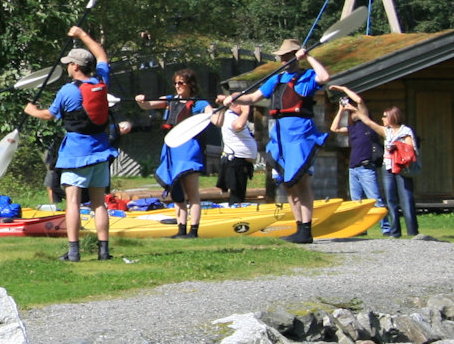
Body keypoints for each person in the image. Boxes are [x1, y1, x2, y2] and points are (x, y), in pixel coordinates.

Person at [219, 39, 332, 244]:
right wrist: (234, 98)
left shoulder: (307, 75)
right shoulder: (276, 80)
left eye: (288, 56)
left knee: (301, 181)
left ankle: (307, 229)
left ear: (296, 55)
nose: (284, 60)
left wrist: (308, 57)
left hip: (300, 135)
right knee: (287, 184)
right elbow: (253, 98)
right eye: (282, 57)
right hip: (280, 136)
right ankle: (299, 227)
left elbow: (324, 76)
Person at [24, 26, 115, 261]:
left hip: (76, 153)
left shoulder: (68, 91)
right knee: (99, 204)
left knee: (72, 202)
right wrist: (83, 34)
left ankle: (74, 252)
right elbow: (102, 55)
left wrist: (32, 110)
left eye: (69, 63)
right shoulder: (101, 82)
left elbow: (49, 115)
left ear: (75, 66)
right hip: (101, 151)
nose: (67, 66)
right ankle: (103, 251)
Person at [136, 69, 212, 238]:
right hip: (171, 149)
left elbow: (210, 115)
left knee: (192, 193)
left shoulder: (199, 103)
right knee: (176, 192)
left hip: (189, 151)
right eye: (175, 83)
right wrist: (141, 100)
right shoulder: (170, 101)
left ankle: (194, 230)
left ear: (190, 85)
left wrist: (215, 111)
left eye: (181, 83)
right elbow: (147, 105)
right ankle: (181, 229)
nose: (177, 86)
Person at [346, 101, 419, 237]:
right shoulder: (386, 131)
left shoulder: (405, 131)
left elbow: (409, 149)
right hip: (388, 167)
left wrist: (396, 146)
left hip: (403, 168)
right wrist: (353, 109)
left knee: (406, 198)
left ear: (393, 117)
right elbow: (368, 122)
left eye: (385, 116)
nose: (382, 118)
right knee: (390, 199)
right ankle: (395, 231)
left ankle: (412, 230)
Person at [328, 85, 383, 208]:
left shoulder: (367, 123)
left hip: (366, 167)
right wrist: (341, 110)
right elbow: (334, 128)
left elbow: (359, 101)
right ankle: (361, 227)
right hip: (353, 169)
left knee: (375, 200)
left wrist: (343, 89)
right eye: (350, 112)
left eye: (353, 110)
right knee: (356, 203)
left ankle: (385, 227)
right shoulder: (352, 128)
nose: (351, 112)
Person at [215, 100, 259, 205]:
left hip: (241, 162)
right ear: (237, 104)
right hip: (235, 160)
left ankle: (237, 208)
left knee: (240, 193)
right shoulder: (230, 116)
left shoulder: (236, 116)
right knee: (236, 195)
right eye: (244, 103)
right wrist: (246, 111)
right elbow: (238, 126)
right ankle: (235, 213)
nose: (248, 106)